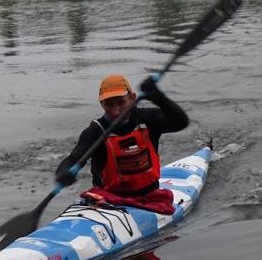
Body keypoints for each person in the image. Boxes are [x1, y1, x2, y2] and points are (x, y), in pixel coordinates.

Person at [55, 74, 188, 213]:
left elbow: (181, 122)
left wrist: (158, 97)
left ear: (132, 98)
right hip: (109, 202)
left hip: (150, 197)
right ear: (102, 104)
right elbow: (73, 159)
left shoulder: (148, 119)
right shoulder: (95, 132)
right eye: (109, 104)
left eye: (121, 103)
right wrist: (63, 172)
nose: (115, 111)